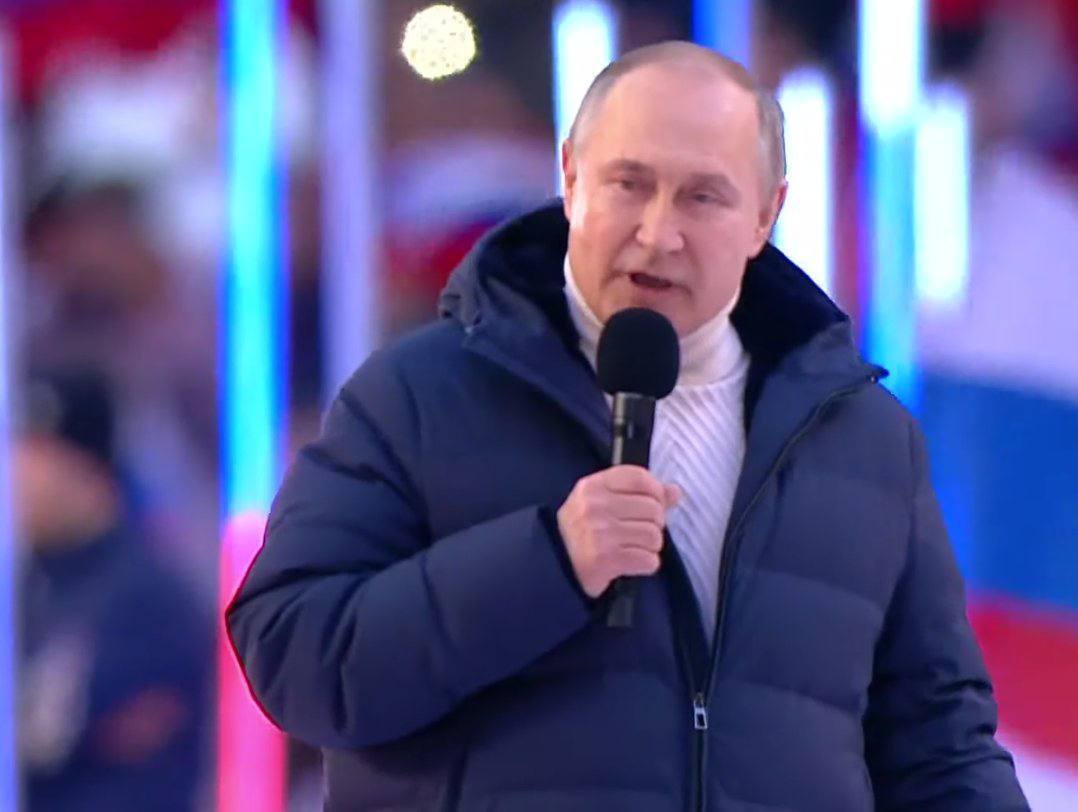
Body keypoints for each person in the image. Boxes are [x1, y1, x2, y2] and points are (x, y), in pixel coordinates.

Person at [227, 41, 1028, 810]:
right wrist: (547, 562)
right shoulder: (420, 395)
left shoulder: (863, 438)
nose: (658, 232)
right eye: (629, 184)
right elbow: (294, 655)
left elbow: (940, 743)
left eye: (702, 197)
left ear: (766, 216)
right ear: (571, 179)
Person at [16, 366, 210, 811]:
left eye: (39, 454)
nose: (19, 474)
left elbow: (52, 735)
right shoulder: (22, 588)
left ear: (88, 467)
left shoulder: (152, 599)